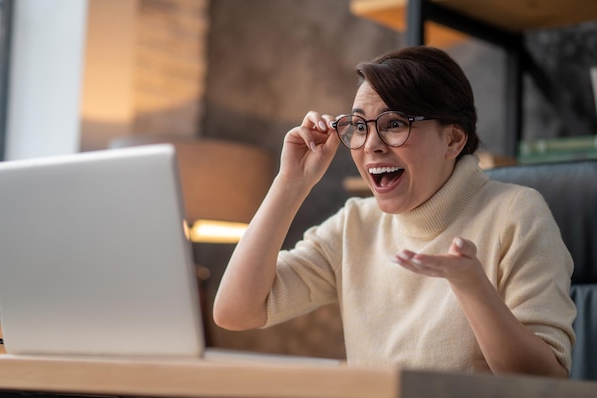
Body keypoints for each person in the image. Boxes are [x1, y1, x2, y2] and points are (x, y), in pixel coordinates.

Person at [213, 46, 576, 377]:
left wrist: (471, 286)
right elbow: (235, 311)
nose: (371, 145)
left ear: (452, 139)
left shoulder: (516, 213)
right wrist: (291, 183)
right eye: (358, 127)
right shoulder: (356, 223)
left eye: (395, 124)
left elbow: (547, 380)